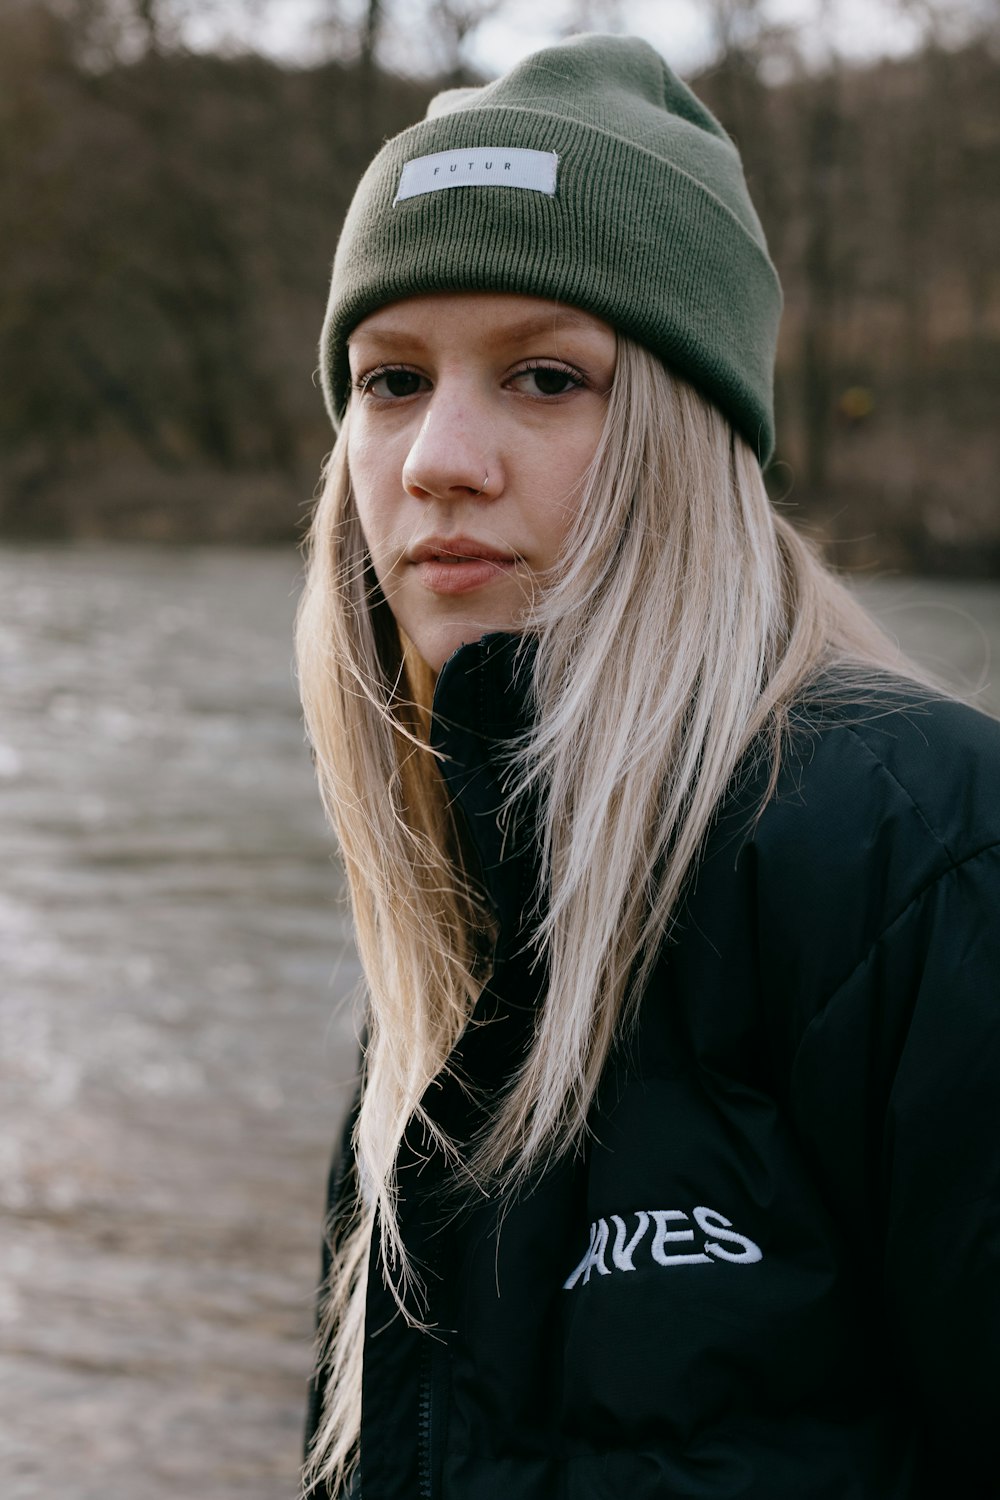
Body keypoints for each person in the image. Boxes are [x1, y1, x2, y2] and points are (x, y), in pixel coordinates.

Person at [294, 32, 1000, 1500]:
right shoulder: (452, 954)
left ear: (691, 432)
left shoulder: (930, 855)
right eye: (391, 379)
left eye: (548, 376)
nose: (439, 457)